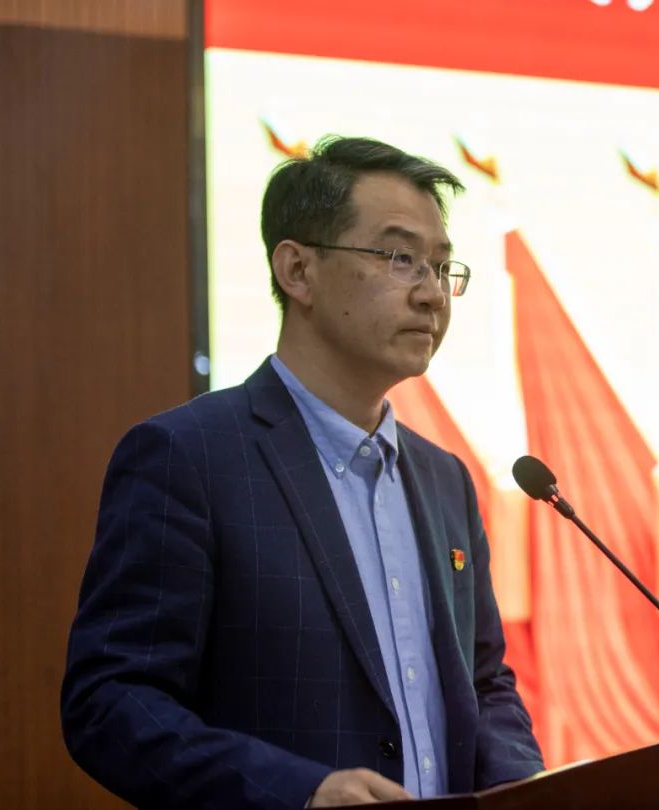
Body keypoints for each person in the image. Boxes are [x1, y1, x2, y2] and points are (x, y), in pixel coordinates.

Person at [61, 136, 544, 808]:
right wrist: (300, 793)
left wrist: (523, 785)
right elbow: (111, 703)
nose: (433, 295)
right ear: (298, 271)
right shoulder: (187, 458)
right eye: (401, 258)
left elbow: (484, 682)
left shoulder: (444, 481)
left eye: (441, 266)